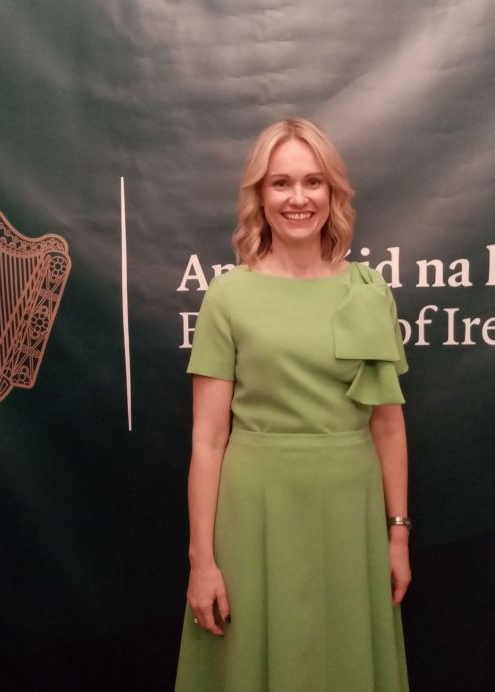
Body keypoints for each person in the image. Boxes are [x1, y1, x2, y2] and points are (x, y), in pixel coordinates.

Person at [175, 117, 411, 692]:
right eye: (280, 183)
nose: (298, 198)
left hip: (351, 513)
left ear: (333, 192)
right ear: (259, 195)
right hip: (255, 513)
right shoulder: (228, 296)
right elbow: (208, 438)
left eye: (312, 182)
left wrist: (398, 534)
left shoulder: (369, 291)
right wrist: (202, 560)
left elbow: (387, 427)